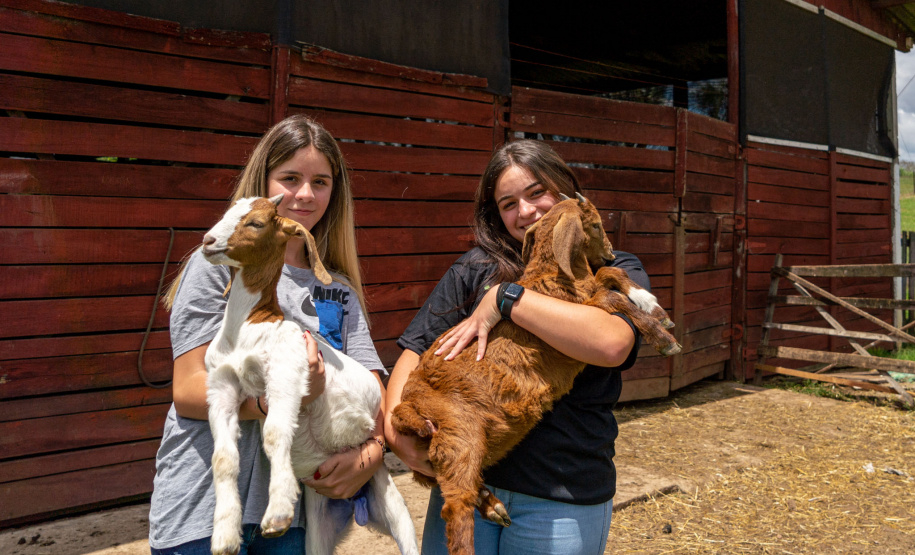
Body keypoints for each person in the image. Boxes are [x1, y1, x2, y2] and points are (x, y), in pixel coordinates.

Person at [384, 139, 647, 555]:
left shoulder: (611, 268)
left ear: (565, 189)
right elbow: (415, 350)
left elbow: (612, 343)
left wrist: (509, 300)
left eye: (536, 192)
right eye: (508, 203)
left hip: (561, 497)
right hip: (471, 481)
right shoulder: (475, 268)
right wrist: (396, 437)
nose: (525, 211)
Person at [149, 115, 388, 554]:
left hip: (293, 513)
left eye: (321, 181)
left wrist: (368, 457)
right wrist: (275, 399)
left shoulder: (338, 289)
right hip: (205, 506)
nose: (305, 194)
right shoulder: (218, 265)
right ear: (265, 180)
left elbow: (374, 388)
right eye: (290, 177)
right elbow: (186, 388)